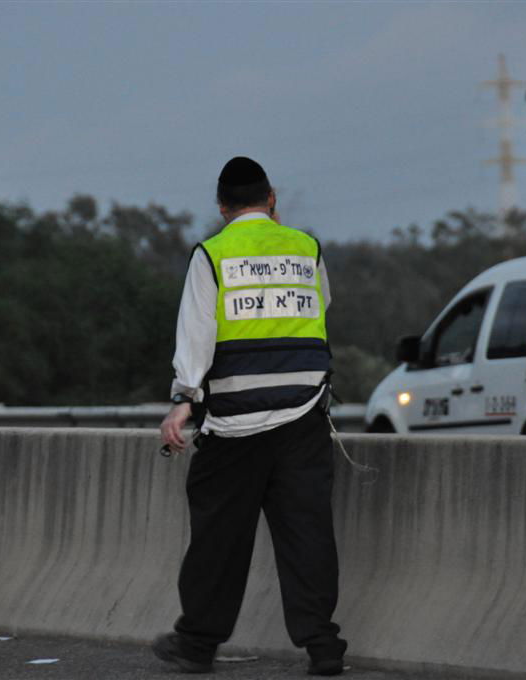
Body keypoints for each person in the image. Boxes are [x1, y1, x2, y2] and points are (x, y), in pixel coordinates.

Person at [153, 156, 347, 676]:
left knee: (218, 538)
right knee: (307, 534)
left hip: (235, 424)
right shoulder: (306, 248)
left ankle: (197, 644)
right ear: (272, 198)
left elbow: (196, 334)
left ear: (222, 207)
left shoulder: (212, 255)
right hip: (303, 417)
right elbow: (320, 309)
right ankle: (323, 647)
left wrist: (184, 399)